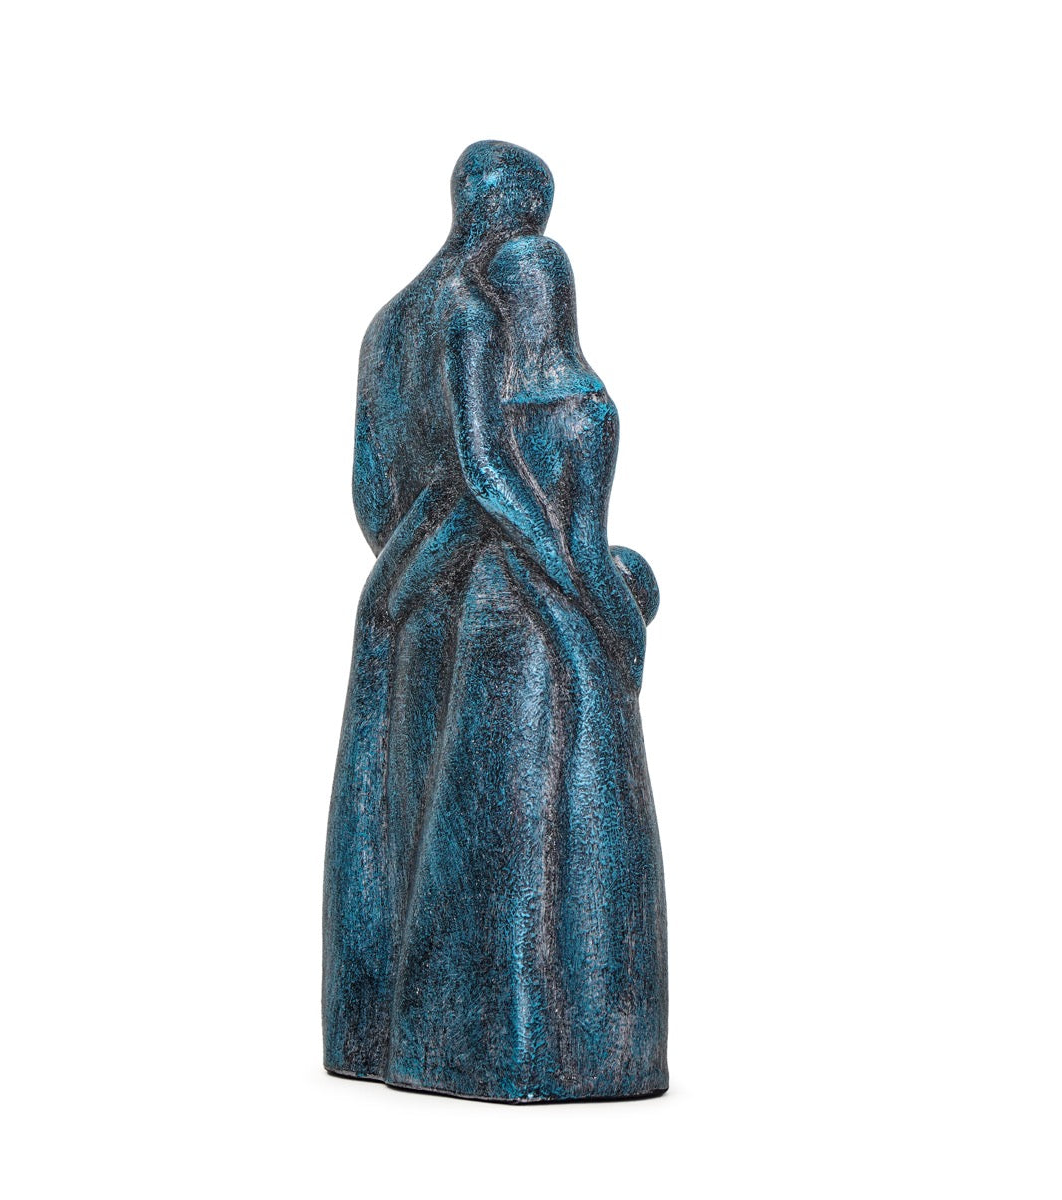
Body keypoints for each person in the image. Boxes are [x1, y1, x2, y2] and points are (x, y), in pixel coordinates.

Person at [324, 144, 667, 1101]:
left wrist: (409, 568)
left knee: (402, 813)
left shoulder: (386, 323)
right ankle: (488, 1036)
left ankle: (377, 1028)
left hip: (408, 581)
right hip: (485, 570)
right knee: (485, 820)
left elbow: (371, 493)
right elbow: (483, 470)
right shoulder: (474, 312)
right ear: (515, 211)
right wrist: (565, 574)